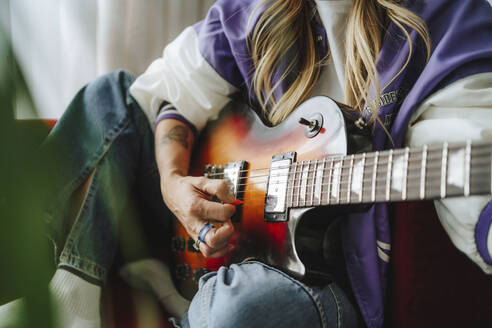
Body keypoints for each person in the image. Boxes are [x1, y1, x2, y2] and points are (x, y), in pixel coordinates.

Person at [1, 0, 492, 327]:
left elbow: (471, 143)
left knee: (247, 307)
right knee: (110, 97)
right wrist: (175, 185)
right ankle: (68, 291)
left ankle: (173, 294)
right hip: (225, 236)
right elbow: (171, 91)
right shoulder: (258, 11)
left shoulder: (446, 26)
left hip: (314, 286)